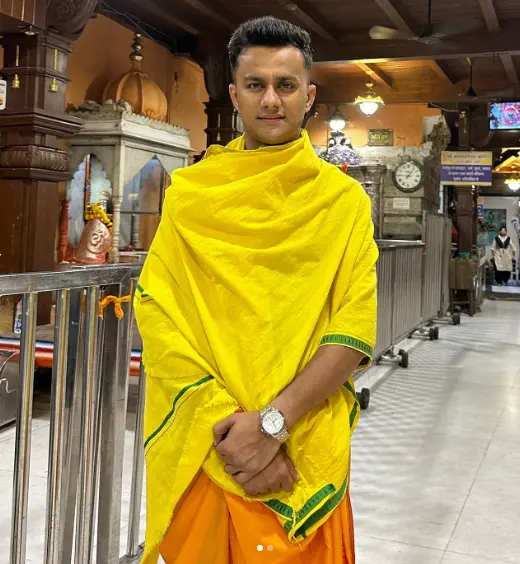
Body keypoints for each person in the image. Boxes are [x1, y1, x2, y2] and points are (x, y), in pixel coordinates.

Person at [135, 16, 378, 564]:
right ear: (234, 94)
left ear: (309, 96)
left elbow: (352, 331)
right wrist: (231, 430)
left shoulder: (342, 203)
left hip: (299, 442)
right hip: (211, 442)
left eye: (286, 85)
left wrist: (272, 426)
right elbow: (158, 310)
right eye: (256, 85)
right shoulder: (191, 195)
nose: (271, 100)